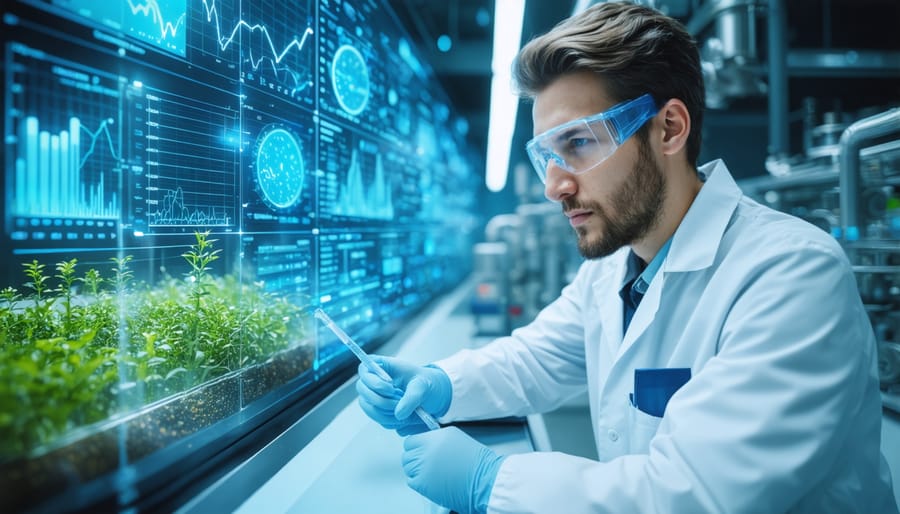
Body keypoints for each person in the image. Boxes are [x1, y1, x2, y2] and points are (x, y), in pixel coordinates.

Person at [356, 2, 898, 513]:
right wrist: (441, 381)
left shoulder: (792, 275)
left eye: (578, 143)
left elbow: (693, 492)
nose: (554, 186)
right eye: (546, 153)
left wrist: (492, 483)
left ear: (669, 129)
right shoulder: (616, 266)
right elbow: (538, 358)